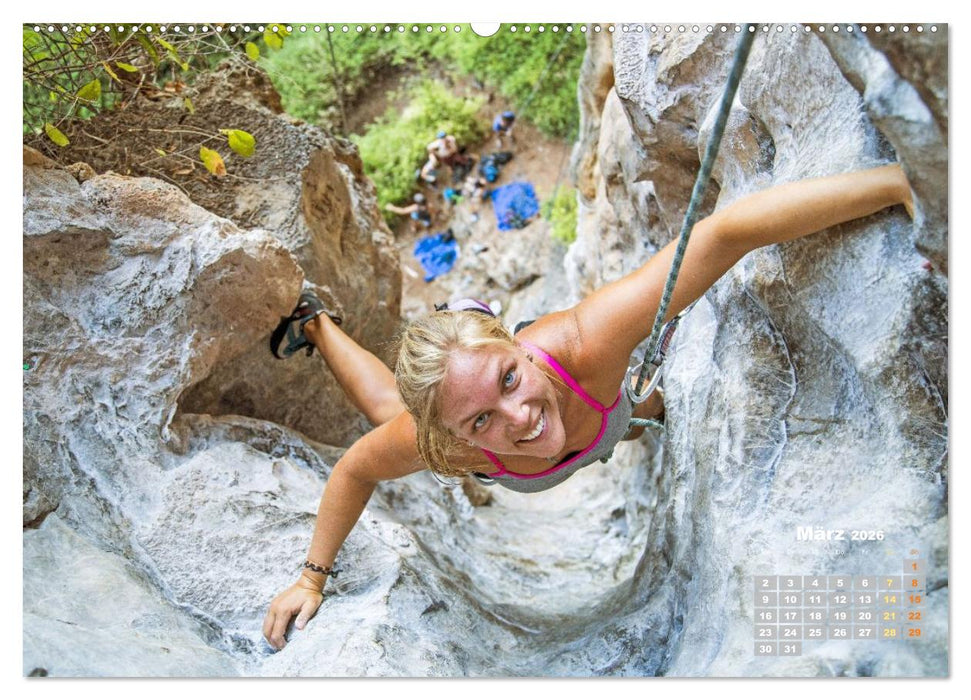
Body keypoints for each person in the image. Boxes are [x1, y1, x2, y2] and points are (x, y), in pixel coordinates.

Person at [262, 164, 913, 649]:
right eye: (481, 419)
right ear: (457, 437)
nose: (515, 417)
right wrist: (310, 581)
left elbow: (723, 235)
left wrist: (904, 184)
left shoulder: (587, 345)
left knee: (635, 414)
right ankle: (316, 322)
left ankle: (336, 327)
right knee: (387, 412)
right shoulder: (448, 446)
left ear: (520, 347)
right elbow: (355, 469)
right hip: (563, 427)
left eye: (509, 381)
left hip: (607, 414)